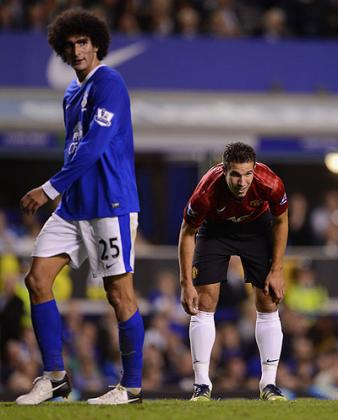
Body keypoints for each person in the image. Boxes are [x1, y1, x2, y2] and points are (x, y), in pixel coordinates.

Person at [16, 9, 144, 405]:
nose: (77, 50)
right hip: (74, 206)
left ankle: (132, 388)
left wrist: (50, 187)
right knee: (37, 280)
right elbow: (76, 149)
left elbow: (94, 146)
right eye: (69, 45)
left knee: (118, 294)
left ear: (97, 44)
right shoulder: (71, 93)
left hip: (111, 203)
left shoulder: (110, 82)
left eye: (83, 42)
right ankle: (54, 376)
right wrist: (62, 192)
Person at [178, 142, 288, 401]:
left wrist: (278, 269)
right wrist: (186, 283)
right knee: (204, 302)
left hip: (256, 230)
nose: (242, 181)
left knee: (268, 300)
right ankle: (202, 386)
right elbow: (187, 232)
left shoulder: (270, 183)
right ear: (224, 170)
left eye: (247, 174)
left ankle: (269, 385)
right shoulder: (206, 191)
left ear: (254, 170)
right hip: (215, 231)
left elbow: (282, 220)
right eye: (236, 175)